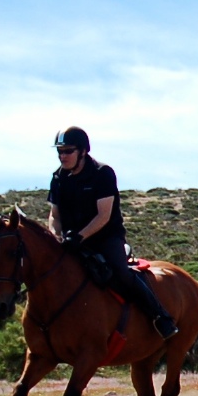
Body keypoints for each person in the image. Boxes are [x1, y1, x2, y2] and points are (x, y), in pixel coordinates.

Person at [47, 126, 177, 340]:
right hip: (71, 240)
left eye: (68, 151)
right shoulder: (58, 178)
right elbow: (55, 214)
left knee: (121, 274)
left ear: (82, 151)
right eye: (59, 151)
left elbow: (103, 216)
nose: (62, 156)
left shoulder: (102, 173)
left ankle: (160, 317)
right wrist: (56, 236)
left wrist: (79, 236)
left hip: (104, 238)